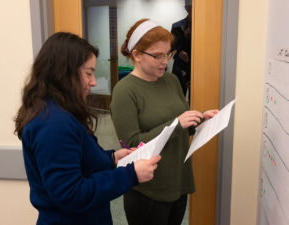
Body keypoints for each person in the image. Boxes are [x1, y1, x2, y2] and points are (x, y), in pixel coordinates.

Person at [14, 32, 161, 225]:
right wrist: (130, 174)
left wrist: (111, 159)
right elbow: (70, 194)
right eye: (89, 73)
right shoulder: (54, 124)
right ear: (63, 72)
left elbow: (77, 160)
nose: (93, 82)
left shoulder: (57, 112)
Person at [110, 19, 219, 225]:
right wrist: (176, 123)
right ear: (137, 55)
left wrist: (200, 119)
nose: (165, 61)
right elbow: (134, 144)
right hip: (148, 188)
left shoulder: (171, 80)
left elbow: (182, 126)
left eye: (168, 54)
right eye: (157, 55)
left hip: (177, 179)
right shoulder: (124, 91)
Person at [171, 2, 192, 103]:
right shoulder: (176, 26)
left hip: (197, 69)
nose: (190, 8)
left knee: (195, 100)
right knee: (177, 100)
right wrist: (179, 53)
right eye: (188, 6)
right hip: (179, 68)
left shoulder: (203, 27)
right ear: (186, 8)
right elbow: (171, 49)